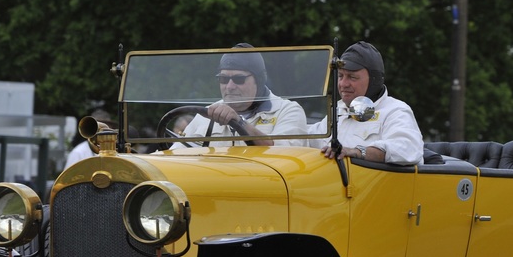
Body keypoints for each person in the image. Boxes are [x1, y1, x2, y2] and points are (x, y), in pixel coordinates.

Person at [176, 45, 307, 147]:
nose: (229, 86)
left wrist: (239, 122)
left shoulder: (288, 111)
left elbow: (286, 157)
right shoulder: (206, 115)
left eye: (239, 79)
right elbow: (174, 156)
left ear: (259, 80)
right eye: (223, 79)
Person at [320, 41, 422, 165]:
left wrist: (357, 152)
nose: (343, 84)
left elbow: (407, 149)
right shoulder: (337, 111)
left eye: (352, 77)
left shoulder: (395, 111)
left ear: (374, 81)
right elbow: (306, 139)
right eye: (340, 76)